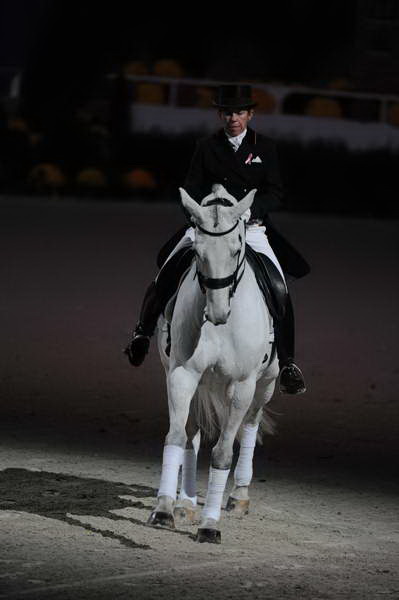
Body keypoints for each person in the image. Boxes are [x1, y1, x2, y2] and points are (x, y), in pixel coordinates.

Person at [124, 84, 310, 394]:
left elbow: (275, 191)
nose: (233, 118)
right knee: (167, 271)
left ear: (249, 114)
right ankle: (142, 333)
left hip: (251, 228)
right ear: (220, 114)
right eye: (227, 112)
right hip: (210, 227)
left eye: (239, 112)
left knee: (279, 287)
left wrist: (252, 211)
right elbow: (192, 187)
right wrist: (201, 217)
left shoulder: (264, 147)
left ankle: (288, 362)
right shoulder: (206, 146)